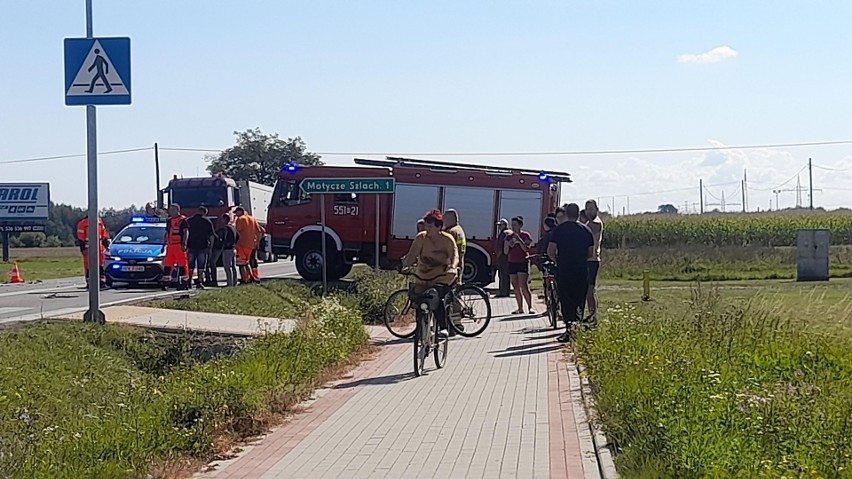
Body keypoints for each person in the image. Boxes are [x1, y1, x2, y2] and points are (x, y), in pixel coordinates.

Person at [401, 209, 459, 339]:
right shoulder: (421, 237)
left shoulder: (447, 239)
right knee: (417, 298)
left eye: (430, 226)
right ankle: (421, 328)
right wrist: (406, 265)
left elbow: (454, 255)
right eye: (426, 225)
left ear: (439, 227)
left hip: (441, 276)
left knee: (436, 298)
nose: (427, 229)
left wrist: (452, 267)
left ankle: (443, 328)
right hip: (422, 276)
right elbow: (412, 254)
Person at [548, 203, 594, 343]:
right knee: (579, 299)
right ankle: (577, 328)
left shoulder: (559, 230)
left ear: (567, 214)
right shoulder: (586, 230)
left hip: (564, 269)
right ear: (578, 213)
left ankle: (569, 330)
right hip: (580, 269)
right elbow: (590, 253)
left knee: (566, 300)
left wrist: (557, 260)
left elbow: (551, 250)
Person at [505, 216, 534, 314]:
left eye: (515, 225)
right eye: (512, 225)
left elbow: (526, 249)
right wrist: (509, 244)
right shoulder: (509, 236)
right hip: (512, 262)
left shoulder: (525, 235)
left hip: (522, 261)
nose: (513, 227)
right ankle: (520, 308)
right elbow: (505, 252)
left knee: (523, 284)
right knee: (515, 284)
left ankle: (530, 307)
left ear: (520, 225)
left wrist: (519, 240)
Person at [584, 200, 604, 322]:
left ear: (596, 209)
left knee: (590, 290)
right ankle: (592, 315)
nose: (589, 211)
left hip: (592, 259)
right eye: (587, 209)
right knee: (587, 290)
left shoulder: (595, 223)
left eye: (591, 209)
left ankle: (593, 316)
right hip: (586, 259)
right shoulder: (587, 223)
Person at [76, 216, 109, 289]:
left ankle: (100, 283)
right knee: (92, 266)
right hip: (90, 248)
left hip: (97, 248)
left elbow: (103, 235)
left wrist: (106, 246)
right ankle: (92, 283)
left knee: (98, 266)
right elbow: (81, 238)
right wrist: (83, 249)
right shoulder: (85, 223)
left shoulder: (99, 221)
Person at [234, 207, 264, 284]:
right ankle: (255, 277)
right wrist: (258, 242)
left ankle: (245, 279)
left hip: (242, 245)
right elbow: (261, 231)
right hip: (253, 245)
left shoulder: (240, 219)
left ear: (240, 212)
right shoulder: (252, 219)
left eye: (236, 213)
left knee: (242, 264)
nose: (235, 215)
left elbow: (237, 232)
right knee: (252, 262)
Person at [162, 204, 190, 289]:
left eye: (172, 210)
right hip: (170, 246)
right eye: (170, 210)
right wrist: (164, 244)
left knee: (182, 264)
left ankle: (184, 283)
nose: (171, 211)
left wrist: (184, 243)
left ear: (177, 210)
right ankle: (166, 283)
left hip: (179, 245)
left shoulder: (182, 220)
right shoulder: (169, 221)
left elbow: (186, 232)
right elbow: (167, 233)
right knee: (168, 264)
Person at [217, 213, 239, 287]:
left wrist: (223, 243)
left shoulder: (226, 228)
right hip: (233, 248)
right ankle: (235, 282)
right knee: (233, 266)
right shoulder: (233, 227)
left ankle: (229, 283)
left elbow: (224, 238)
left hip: (227, 249)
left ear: (224, 219)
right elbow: (238, 236)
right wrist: (234, 243)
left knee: (227, 266)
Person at [493, 218, 511, 297]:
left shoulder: (503, 234)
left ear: (504, 225)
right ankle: (506, 291)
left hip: (503, 258)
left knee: (502, 275)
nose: (499, 227)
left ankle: (503, 292)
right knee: (507, 276)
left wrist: (497, 257)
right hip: (509, 258)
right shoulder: (509, 232)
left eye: (500, 225)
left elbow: (500, 248)